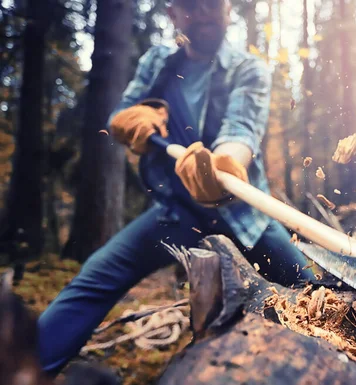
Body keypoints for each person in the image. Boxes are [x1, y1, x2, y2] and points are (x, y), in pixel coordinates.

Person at [37, 0, 314, 377]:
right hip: (175, 213)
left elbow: (241, 130)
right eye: (189, 6)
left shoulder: (248, 69)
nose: (201, 13)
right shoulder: (158, 63)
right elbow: (123, 114)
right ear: (172, 13)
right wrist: (137, 117)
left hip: (242, 214)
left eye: (210, 5)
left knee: (313, 291)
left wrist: (223, 166)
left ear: (227, 8)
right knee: (96, 276)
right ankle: (24, 367)